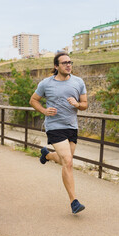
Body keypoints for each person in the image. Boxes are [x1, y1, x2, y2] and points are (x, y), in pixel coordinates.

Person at [29, 52, 88, 214]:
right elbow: (33, 100)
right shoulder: (46, 83)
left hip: (71, 126)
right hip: (54, 126)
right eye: (64, 63)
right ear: (56, 66)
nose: (68, 65)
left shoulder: (78, 82)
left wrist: (77, 104)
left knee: (64, 160)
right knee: (68, 161)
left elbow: (85, 104)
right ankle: (74, 201)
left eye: (70, 62)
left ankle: (47, 155)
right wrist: (44, 110)